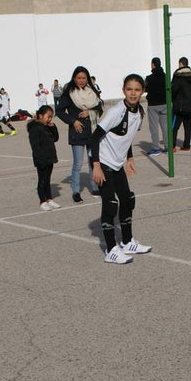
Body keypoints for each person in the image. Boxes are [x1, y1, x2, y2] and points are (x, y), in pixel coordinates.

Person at [91, 74, 151, 264]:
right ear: (123, 90)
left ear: (142, 92)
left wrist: (130, 158)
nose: (133, 93)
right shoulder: (116, 112)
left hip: (117, 163)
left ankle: (127, 242)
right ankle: (110, 250)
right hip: (103, 162)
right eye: (129, 89)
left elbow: (127, 137)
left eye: (137, 90)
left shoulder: (139, 112)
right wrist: (96, 166)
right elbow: (94, 137)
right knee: (110, 204)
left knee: (127, 200)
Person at [56, 66, 102, 203]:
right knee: (78, 164)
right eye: (79, 78)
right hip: (77, 132)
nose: (81, 80)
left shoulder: (92, 92)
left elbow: (100, 108)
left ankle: (95, 187)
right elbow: (59, 111)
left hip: (92, 131)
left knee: (93, 161)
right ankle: (76, 191)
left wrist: (90, 112)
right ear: (74, 78)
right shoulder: (69, 93)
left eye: (84, 78)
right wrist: (73, 121)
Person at [27, 105, 60, 211]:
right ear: (40, 116)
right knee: (42, 180)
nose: (49, 119)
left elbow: (55, 138)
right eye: (48, 117)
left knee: (47, 179)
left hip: (49, 157)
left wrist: (53, 127)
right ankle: (42, 201)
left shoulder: (47, 127)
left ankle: (49, 199)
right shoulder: (35, 128)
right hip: (41, 159)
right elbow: (35, 146)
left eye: (51, 117)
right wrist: (40, 158)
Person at [170, 57, 191, 152]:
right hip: (190, 106)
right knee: (188, 127)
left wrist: (172, 99)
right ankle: (186, 145)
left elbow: (174, 89)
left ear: (181, 64)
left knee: (174, 127)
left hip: (179, 106)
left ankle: (172, 145)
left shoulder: (178, 75)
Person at [144, 57, 168, 156]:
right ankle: (167, 147)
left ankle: (155, 148)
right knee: (165, 127)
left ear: (153, 64)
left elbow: (145, 89)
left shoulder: (149, 78)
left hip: (153, 104)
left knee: (154, 127)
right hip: (165, 103)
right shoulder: (166, 76)